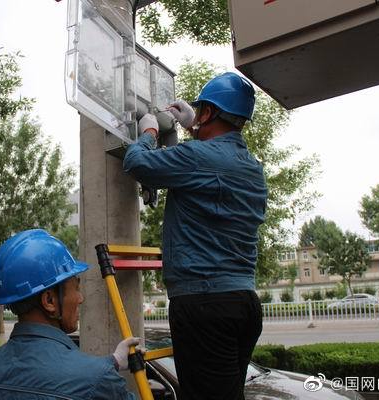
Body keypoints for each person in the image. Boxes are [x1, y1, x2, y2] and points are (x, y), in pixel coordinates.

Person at [123, 72, 266, 400]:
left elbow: (137, 163)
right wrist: (193, 127)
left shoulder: (198, 157)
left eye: (201, 110)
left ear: (209, 112)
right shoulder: (251, 167)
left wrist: (149, 132)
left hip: (204, 305)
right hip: (243, 302)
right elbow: (211, 164)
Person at [0, 229, 138, 400]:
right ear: (50, 301)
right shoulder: (100, 380)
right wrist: (105, 373)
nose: (80, 298)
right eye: (76, 288)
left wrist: (113, 361)